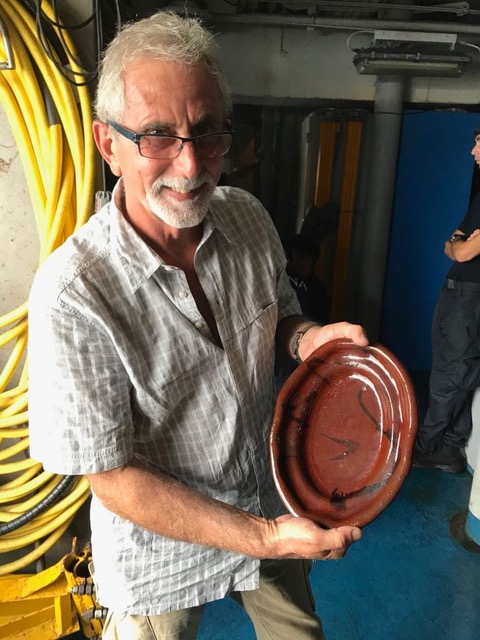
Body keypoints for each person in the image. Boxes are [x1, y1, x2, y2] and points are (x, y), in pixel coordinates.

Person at [28, 11, 368, 640]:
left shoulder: (247, 218)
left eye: (207, 132)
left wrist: (307, 339)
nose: (190, 166)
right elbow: (113, 478)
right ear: (108, 146)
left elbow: (276, 317)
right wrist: (263, 537)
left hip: (266, 496)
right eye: (157, 135)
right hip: (161, 553)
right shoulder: (74, 296)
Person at [413, 129, 480, 474]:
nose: (473, 151)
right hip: (458, 292)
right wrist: (460, 245)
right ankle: (450, 446)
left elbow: (463, 250)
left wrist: (461, 246)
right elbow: (454, 243)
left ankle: (428, 448)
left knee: (452, 375)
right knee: (453, 370)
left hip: (470, 297)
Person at [286, 234, 331, 324]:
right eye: (301, 258)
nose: (307, 262)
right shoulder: (281, 278)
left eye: (311, 259)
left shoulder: (318, 289)